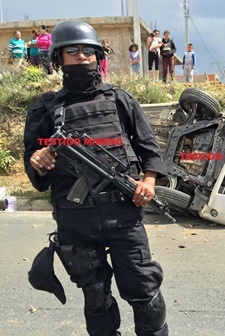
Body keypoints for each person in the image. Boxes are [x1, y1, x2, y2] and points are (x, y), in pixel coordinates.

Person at [24, 20, 169, 335]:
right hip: (76, 219)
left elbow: (149, 150)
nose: (82, 57)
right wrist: (39, 161)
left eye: (88, 51)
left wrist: (149, 181)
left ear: (97, 56)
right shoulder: (45, 109)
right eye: (73, 52)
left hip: (123, 213)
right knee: (96, 298)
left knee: (146, 296)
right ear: (59, 59)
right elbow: (33, 164)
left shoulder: (119, 100)